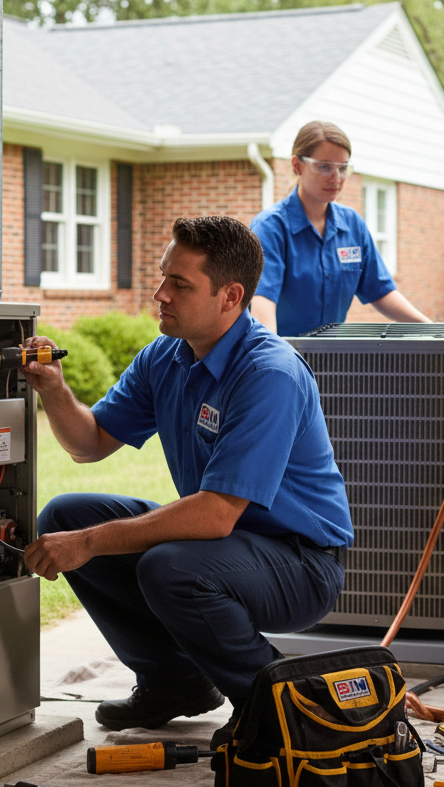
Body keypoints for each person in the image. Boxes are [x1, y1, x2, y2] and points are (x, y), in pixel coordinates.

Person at [22, 215, 353, 734]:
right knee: (65, 515)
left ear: (230, 296)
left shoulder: (269, 374)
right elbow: (90, 444)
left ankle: (275, 705)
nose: (160, 294)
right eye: (162, 278)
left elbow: (217, 514)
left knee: (168, 566)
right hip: (225, 545)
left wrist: (90, 543)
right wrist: (54, 391)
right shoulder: (166, 357)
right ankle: (174, 680)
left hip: (301, 561)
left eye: (180, 284)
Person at [250, 121, 431, 336]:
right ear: (298, 165)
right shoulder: (271, 228)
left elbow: (380, 291)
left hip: (334, 358)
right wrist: (273, 363)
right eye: (324, 166)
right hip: (284, 357)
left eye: (343, 168)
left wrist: (429, 327)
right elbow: (262, 305)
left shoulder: (353, 225)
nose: (336, 178)